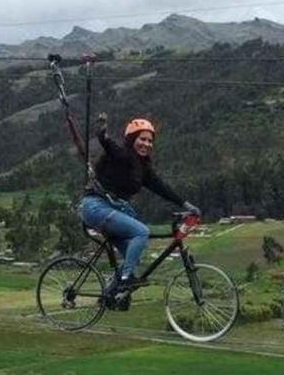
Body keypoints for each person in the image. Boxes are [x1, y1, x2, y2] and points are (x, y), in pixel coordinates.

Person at [79, 113, 197, 309]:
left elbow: (161, 187)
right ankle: (125, 279)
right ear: (132, 139)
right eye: (142, 139)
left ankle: (110, 295)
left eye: (150, 141)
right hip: (95, 207)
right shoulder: (123, 155)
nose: (147, 144)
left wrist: (186, 205)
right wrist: (102, 135)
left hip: (111, 210)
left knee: (132, 255)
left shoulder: (143, 168)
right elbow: (111, 147)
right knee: (141, 231)